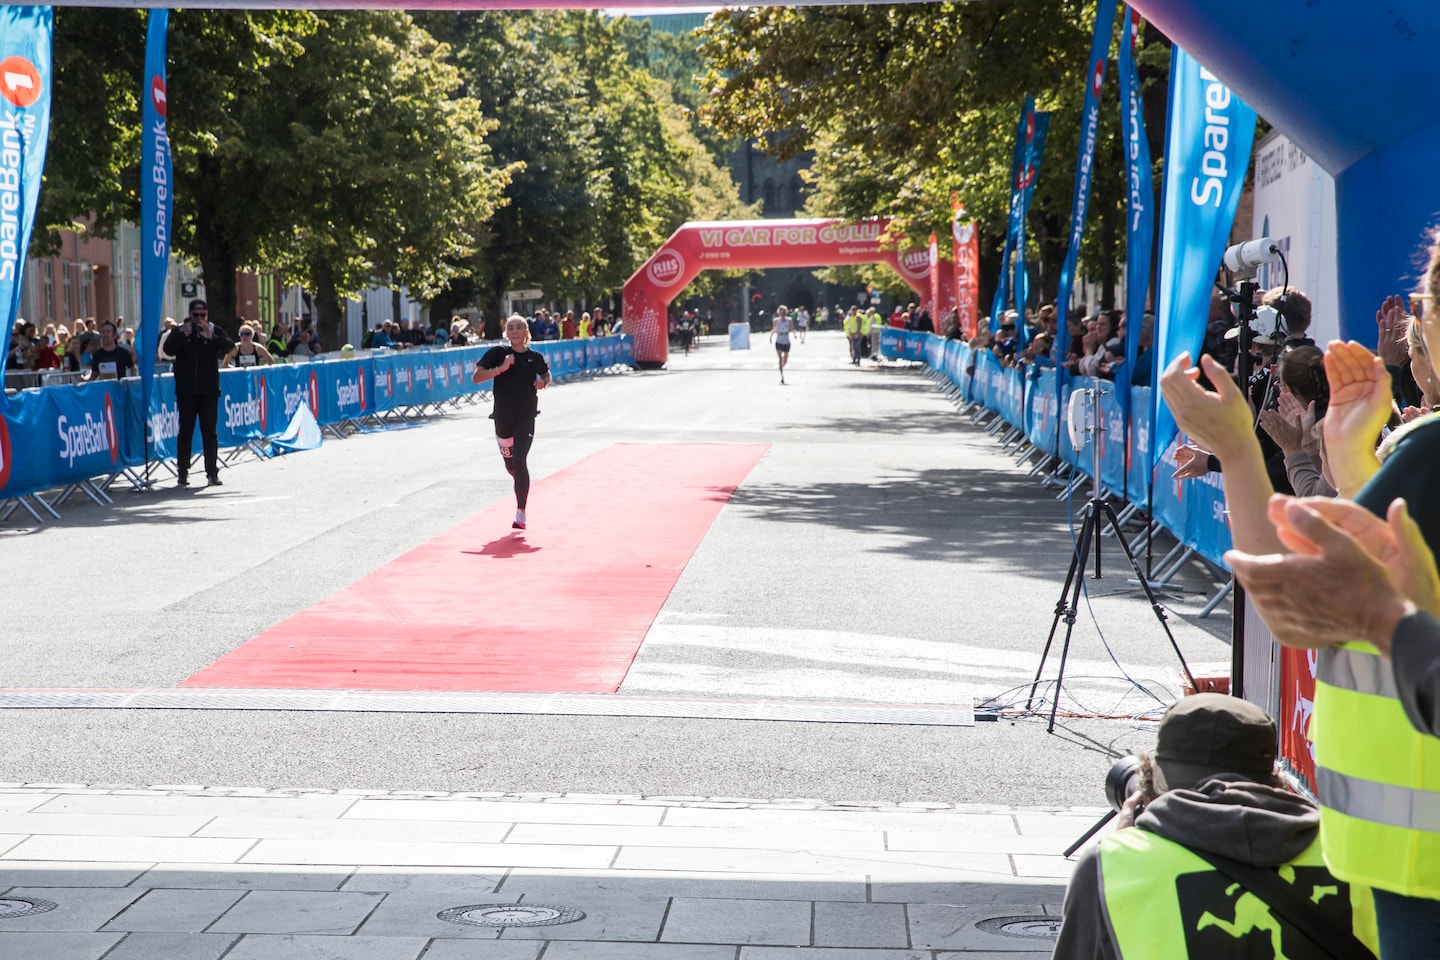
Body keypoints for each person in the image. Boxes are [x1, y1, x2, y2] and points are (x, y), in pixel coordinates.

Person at [1159, 233, 1440, 958]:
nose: (1414, 314)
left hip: (1422, 861)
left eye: (1426, 296)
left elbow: (1288, 594)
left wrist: (1237, 448)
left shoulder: (1432, 450)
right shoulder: (1418, 453)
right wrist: (1349, 455)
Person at [1054, 693, 1377, 959]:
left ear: (1156, 778)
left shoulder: (1112, 863)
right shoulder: (1354, 852)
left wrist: (1122, 852)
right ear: (1273, 774)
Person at [471, 314, 551, 530]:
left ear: (526, 332)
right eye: (511, 328)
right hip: (503, 417)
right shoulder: (499, 353)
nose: (515, 331)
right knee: (511, 466)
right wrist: (501, 369)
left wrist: (543, 382)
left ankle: (521, 513)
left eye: (519, 327)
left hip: (526, 415)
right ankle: (520, 483)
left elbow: (546, 375)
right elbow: (476, 377)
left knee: (520, 460)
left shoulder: (535, 357)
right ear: (506, 333)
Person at [162, 300, 233, 488]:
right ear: (190, 314)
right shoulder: (180, 330)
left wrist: (212, 338)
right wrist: (182, 337)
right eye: (196, 316)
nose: (199, 319)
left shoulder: (213, 329)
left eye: (203, 315)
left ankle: (212, 472)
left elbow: (229, 346)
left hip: (209, 390)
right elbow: (167, 350)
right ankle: (182, 472)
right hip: (186, 391)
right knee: (185, 431)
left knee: (209, 432)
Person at [769, 304, 793, 384]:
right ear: (779, 313)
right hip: (779, 342)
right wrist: (771, 336)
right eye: (781, 312)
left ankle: (782, 366)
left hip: (786, 342)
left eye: (784, 313)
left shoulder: (789, 320)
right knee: (780, 359)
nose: (782, 314)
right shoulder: (776, 321)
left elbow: (792, 328)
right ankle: (782, 376)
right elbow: (773, 329)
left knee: (785, 360)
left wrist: (795, 333)